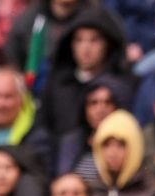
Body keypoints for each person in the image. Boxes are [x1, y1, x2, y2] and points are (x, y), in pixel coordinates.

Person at [37, 6, 135, 136]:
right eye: (79, 40)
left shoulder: (125, 85)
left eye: (94, 40)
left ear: (108, 44)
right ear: (70, 44)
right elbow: (42, 130)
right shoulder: (57, 84)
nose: (86, 48)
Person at [86, 110, 155, 196]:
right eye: (106, 145)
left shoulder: (153, 189)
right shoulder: (92, 187)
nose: (112, 153)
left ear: (134, 148)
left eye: (120, 145)